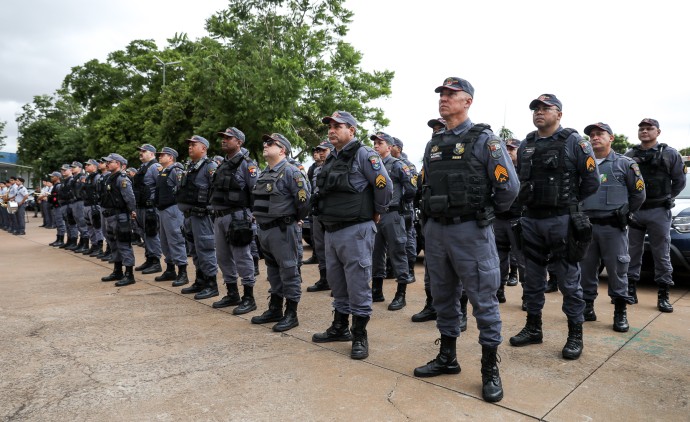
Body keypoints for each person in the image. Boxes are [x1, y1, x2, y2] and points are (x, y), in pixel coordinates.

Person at [413, 77, 518, 403]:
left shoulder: (486, 141)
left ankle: (490, 368)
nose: (443, 99)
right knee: (443, 296)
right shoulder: (434, 144)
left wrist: (483, 214)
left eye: (451, 94)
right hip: (437, 232)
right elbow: (426, 185)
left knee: (483, 300)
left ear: (467, 101)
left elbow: (509, 189)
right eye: (441, 94)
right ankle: (448, 357)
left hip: (471, 232)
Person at [510, 94, 600, 361]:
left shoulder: (574, 141)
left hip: (562, 221)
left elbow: (591, 181)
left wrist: (568, 203)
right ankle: (533, 328)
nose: (539, 112)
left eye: (545, 108)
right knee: (533, 279)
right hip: (532, 220)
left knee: (569, 281)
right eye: (536, 108)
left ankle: (575, 334)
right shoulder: (526, 143)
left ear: (559, 114)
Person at [311, 111, 393, 360]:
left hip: (356, 230)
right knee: (337, 283)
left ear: (352, 130)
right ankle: (340, 326)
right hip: (332, 231)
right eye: (330, 126)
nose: (332, 130)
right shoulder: (331, 158)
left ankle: (359, 334)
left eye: (338, 126)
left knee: (357, 283)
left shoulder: (363, 154)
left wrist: (377, 212)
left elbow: (384, 185)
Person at [580, 122, 645, 332]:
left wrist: (625, 212)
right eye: (592, 135)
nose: (595, 137)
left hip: (613, 228)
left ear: (611, 138)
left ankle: (620, 312)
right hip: (588, 227)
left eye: (600, 134)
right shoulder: (584, 164)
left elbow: (639, 194)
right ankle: (587, 308)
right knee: (586, 269)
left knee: (618, 270)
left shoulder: (625, 164)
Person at [625, 118, 686, 312]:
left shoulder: (670, 154)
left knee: (662, 253)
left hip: (659, 211)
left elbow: (679, 181)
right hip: (636, 211)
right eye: (641, 128)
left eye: (649, 128)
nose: (644, 131)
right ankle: (630, 290)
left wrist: (668, 197)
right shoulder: (630, 155)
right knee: (631, 253)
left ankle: (663, 294)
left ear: (657, 132)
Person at [250, 133, 310, 332]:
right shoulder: (264, 173)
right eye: (265, 142)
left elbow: (303, 201)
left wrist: (295, 219)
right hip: (265, 231)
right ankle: (275, 308)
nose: (265, 145)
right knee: (273, 272)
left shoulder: (292, 172)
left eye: (270, 143)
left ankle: (291, 314)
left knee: (289, 270)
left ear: (282, 149)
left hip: (283, 230)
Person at [209, 127, 258, 315]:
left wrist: (253, 215)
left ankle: (249, 297)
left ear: (239, 142)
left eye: (228, 138)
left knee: (242, 257)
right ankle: (232, 293)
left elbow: (255, 190)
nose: (224, 140)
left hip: (238, 216)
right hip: (220, 216)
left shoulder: (247, 164)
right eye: (223, 137)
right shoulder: (222, 164)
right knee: (222, 256)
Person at [370, 131, 416, 310]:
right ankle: (377, 290)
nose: (375, 146)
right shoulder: (372, 165)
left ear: (389, 147)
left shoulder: (397, 165)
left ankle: (401, 293)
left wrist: (401, 204)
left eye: (379, 143)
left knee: (397, 252)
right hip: (376, 215)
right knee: (376, 253)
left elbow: (411, 187)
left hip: (393, 214)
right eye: (374, 143)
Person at [176, 135, 219, 299]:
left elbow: (216, 190)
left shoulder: (210, 166)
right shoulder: (190, 167)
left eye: (194, 144)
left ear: (204, 148)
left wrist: (210, 209)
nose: (190, 147)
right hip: (189, 216)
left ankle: (211, 284)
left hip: (202, 216)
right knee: (194, 250)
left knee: (206, 249)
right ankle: (200, 280)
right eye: (189, 144)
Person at [493, 138, 525, 304]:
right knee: (498, 258)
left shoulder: (526, 170)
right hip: (499, 219)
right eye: (506, 149)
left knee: (523, 259)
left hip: (518, 219)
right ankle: (499, 290)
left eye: (512, 149)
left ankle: (527, 295)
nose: (509, 151)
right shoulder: (499, 169)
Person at [153, 147, 190, 287]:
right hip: (163, 210)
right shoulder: (163, 171)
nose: (160, 157)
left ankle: (182, 272)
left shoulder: (176, 170)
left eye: (163, 155)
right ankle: (170, 269)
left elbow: (181, 189)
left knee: (176, 239)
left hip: (173, 209)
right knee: (164, 241)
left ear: (171, 157)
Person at [99, 153, 138, 287]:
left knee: (124, 244)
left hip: (120, 216)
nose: (108, 163)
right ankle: (117, 270)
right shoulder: (110, 178)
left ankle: (129, 274)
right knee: (113, 244)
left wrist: (132, 211)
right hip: (110, 215)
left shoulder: (122, 179)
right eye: (107, 162)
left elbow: (130, 198)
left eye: (111, 162)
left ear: (119, 164)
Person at [305, 141, 334, 292]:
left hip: (332, 213)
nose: (321, 153)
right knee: (320, 246)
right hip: (318, 212)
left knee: (333, 248)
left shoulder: (336, 166)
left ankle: (336, 282)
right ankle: (324, 279)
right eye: (318, 150)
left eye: (324, 150)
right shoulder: (316, 169)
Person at [391, 136, 419, 282]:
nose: (389, 147)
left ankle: (410, 270)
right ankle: (391, 269)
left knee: (408, 239)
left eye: (393, 145)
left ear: (399, 149)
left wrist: (404, 202)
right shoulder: (387, 163)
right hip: (392, 210)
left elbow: (412, 188)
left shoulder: (407, 165)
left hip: (405, 209)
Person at [132, 144, 163, 274]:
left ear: (152, 154)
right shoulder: (142, 168)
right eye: (140, 151)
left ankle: (156, 261)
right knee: (144, 234)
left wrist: (155, 202)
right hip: (141, 206)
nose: (141, 153)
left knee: (151, 233)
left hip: (150, 207)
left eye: (144, 151)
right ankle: (149, 258)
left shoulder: (155, 167)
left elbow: (160, 186)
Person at [80, 159, 105, 256]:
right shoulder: (88, 177)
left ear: (94, 167)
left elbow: (99, 191)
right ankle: (94, 245)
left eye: (88, 165)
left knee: (97, 227)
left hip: (94, 206)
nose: (86, 166)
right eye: (85, 165)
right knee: (89, 227)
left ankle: (99, 247)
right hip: (87, 205)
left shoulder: (97, 177)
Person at [69, 162, 91, 253]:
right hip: (75, 202)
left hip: (80, 201)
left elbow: (84, 189)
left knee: (82, 223)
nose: (72, 168)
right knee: (78, 223)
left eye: (74, 167)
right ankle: (81, 243)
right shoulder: (74, 178)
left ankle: (85, 244)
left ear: (80, 168)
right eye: (72, 167)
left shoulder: (82, 177)